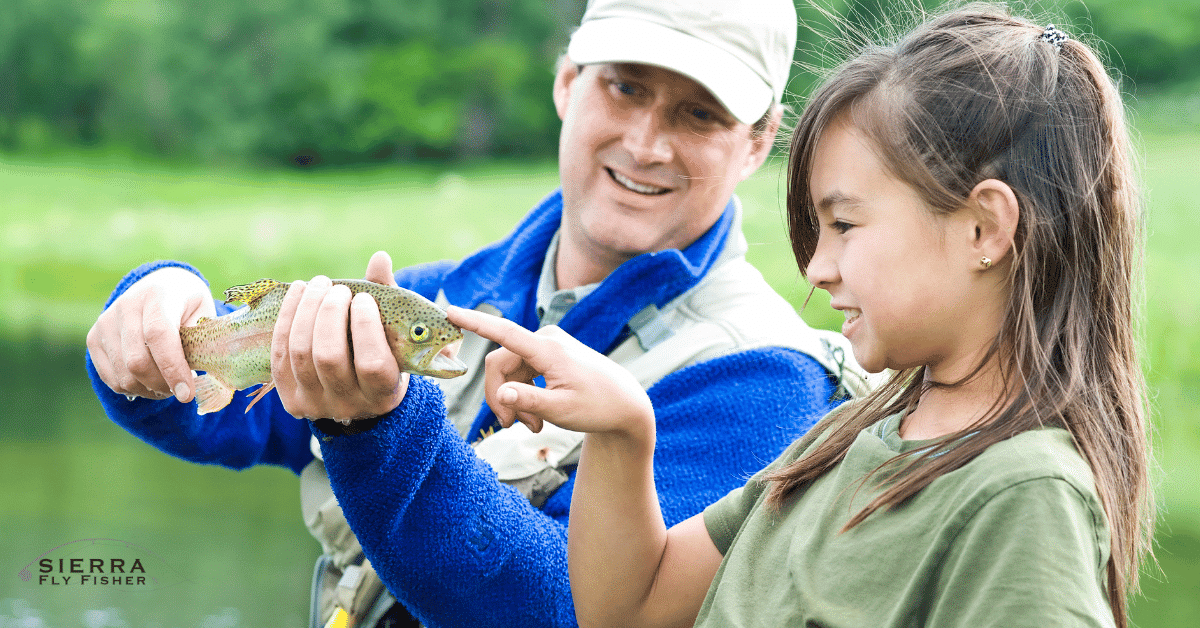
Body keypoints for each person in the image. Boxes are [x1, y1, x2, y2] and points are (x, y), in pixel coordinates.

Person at [84, 0, 870, 625]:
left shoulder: (766, 378)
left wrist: (376, 428)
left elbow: (567, 610)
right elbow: (216, 415)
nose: (646, 141)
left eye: (699, 115)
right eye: (625, 86)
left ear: (760, 141)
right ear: (567, 82)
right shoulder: (452, 291)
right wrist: (150, 313)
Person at [449, 5, 1155, 628]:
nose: (816, 269)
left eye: (844, 223)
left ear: (984, 229)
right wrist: (622, 428)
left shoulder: (1024, 497)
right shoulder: (848, 437)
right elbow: (630, 607)